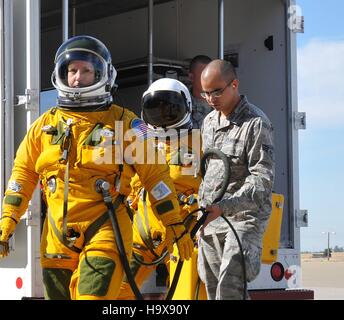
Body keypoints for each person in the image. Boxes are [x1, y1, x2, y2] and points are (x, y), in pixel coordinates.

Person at [0, 35, 193, 300]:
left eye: (86, 70)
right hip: (56, 234)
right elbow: (23, 173)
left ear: (103, 74)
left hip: (105, 228)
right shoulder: (45, 126)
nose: (77, 77)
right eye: (72, 70)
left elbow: (155, 177)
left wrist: (175, 223)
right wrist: (9, 217)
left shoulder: (126, 124)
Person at [197, 59, 275, 300]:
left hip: (243, 219)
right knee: (213, 290)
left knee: (229, 288)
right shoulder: (209, 122)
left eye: (216, 92)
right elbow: (208, 172)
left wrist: (224, 207)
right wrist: (200, 217)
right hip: (212, 220)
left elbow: (262, 180)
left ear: (234, 84)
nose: (211, 99)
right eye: (206, 93)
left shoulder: (256, 123)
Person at [118, 78, 201, 299]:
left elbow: (216, 187)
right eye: (157, 109)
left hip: (183, 237)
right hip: (143, 236)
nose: (163, 116)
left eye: (170, 109)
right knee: (117, 291)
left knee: (185, 296)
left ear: (186, 108)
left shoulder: (200, 144)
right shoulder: (139, 144)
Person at [188, 55, 212, 130]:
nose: (209, 80)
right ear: (191, 77)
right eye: (204, 75)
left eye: (211, 75)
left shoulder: (223, 104)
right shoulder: (181, 105)